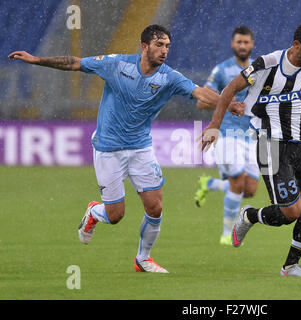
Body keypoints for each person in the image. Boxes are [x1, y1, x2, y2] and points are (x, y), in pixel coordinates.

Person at [8, 24, 224, 273]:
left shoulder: (170, 77)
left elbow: (200, 93)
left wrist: (230, 104)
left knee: (155, 206)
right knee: (115, 215)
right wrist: (37, 60)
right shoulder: (116, 65)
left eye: (167, 46)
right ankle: (93, 212)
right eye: (159, 45)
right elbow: (74, 63)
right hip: (108, 148)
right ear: (144, 46)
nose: (164, 51)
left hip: (141, 148)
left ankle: (143, 259)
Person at [200, 23, 301, 277]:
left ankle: (291, 266)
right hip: (270, 145)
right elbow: (230, 89)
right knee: (291, 212)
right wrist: (214, 125)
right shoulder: (266, 65)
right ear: (297, 45)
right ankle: (250, 216)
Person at [194, 26, 260, 246]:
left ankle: (210, 183)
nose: (242, 46)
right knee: (238, 182)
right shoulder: (222, 70)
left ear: (252, 44)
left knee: (249, 190)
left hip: (252, 135)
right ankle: (226, 233)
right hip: (227, 134)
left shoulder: (259, 70)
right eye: (239, 42)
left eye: (246, 42)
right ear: (233, 44)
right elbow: (202, 101)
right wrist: (226, 101)